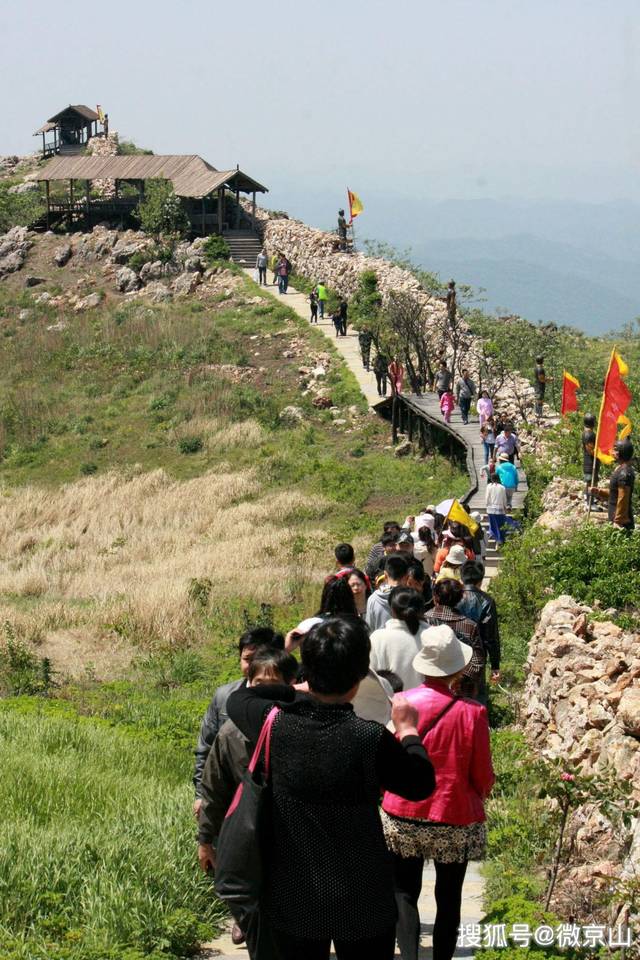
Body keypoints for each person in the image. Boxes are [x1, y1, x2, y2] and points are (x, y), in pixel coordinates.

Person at [226, 618, 436, 960]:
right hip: (363, 894)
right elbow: (420, 783)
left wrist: (294, 689)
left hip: (293, 892)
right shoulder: (370, 738)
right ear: (358, 678)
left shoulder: (275, 724)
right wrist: (409, 731)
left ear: (306, 670)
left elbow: (241, 697)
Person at [381, 624, 495, 960]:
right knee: (449, 896)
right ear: (458, 668)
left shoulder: (401, 703)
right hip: (453, 812)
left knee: (404, 890)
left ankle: (410, 956)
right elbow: (482, 774)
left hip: (403, 811)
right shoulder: (473, 713)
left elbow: (388, 760)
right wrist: (481, 793)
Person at [197, 646, 299, 946]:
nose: (266, 693)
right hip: (248, 839)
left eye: (274, 685)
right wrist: (205, 840)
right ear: (247, 685)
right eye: (259, 686)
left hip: (294, 843)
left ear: (292, 684)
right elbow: (214, 790)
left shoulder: (304, 727)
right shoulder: (230, 734)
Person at [192, 627, 284, 811]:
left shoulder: (287, 698)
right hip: (229, 795)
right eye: (246, 659)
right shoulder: (224, 697)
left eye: (258, 659)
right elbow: (206, 748)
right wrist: (201, 795)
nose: (251, 666)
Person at [424, 578, 485, 698]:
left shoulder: (424, 621)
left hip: (431, 691)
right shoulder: (469, 626)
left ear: (435, 597)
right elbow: (478, 662)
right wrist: (457, 679)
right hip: (461, 694)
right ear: (460, 599)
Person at [369, 587, 431, 691]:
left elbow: (371, 679)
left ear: (392, 609)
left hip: (391, 703)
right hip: (431, 704)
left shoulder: (377, 638)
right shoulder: (433, 635)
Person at [458, 560, 501, 703]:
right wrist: (495, 665)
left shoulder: (452, 596)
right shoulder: (486, 601)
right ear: (481, 580)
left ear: (461, 576)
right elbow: (491, 637)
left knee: (455, 693)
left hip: (454, 651)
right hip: (477, 654)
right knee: (477, 696)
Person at [590, 439, 635, 530]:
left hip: (621, 524)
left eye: (615, 449)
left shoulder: (624, 472)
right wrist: (599, 492)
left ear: (619, 453)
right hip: (616, 519)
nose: (612, 451)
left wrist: (618, 521)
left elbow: (623, 497)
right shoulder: (621, 469)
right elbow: (616, 494)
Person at [366, 554, 410, 631]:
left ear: (385, 575)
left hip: (380, 642)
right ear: (407, 576)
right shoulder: (411, 597)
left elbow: (369, 629)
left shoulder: (372, 599)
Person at [485, 474, 508, 545]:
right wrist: (505, 507)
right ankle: (499, 540)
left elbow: (487, 498)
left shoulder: (489, 486)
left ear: (491, 479)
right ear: (498, 479)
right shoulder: (502, 487)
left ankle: (493, 535)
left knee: (493, 524)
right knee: (500, 525)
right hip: (500, 509)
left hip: (491, 509)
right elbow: (504, 499)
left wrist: (487, 506)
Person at [582, 413, 598, 508]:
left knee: (592, 481)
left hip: (589, 462)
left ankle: (590, 499)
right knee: (591, 482)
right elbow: (590, 450)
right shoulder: (589, 435)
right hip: (590, 463)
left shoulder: (586, 433)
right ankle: (590, 503)